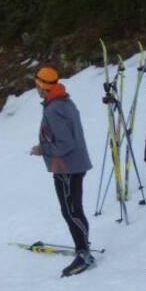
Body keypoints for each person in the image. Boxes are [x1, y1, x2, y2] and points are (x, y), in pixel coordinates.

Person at [29, 66, 93, 276]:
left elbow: (65, 143)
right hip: (70, 165)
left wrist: (42, 150)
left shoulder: (55, 108)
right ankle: (82, 245)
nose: (35, 87)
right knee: (72, 209)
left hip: (67, 167)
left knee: (71, 211)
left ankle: (84, 253)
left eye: (36, 84)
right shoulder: (62, 101)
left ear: (42, 86)